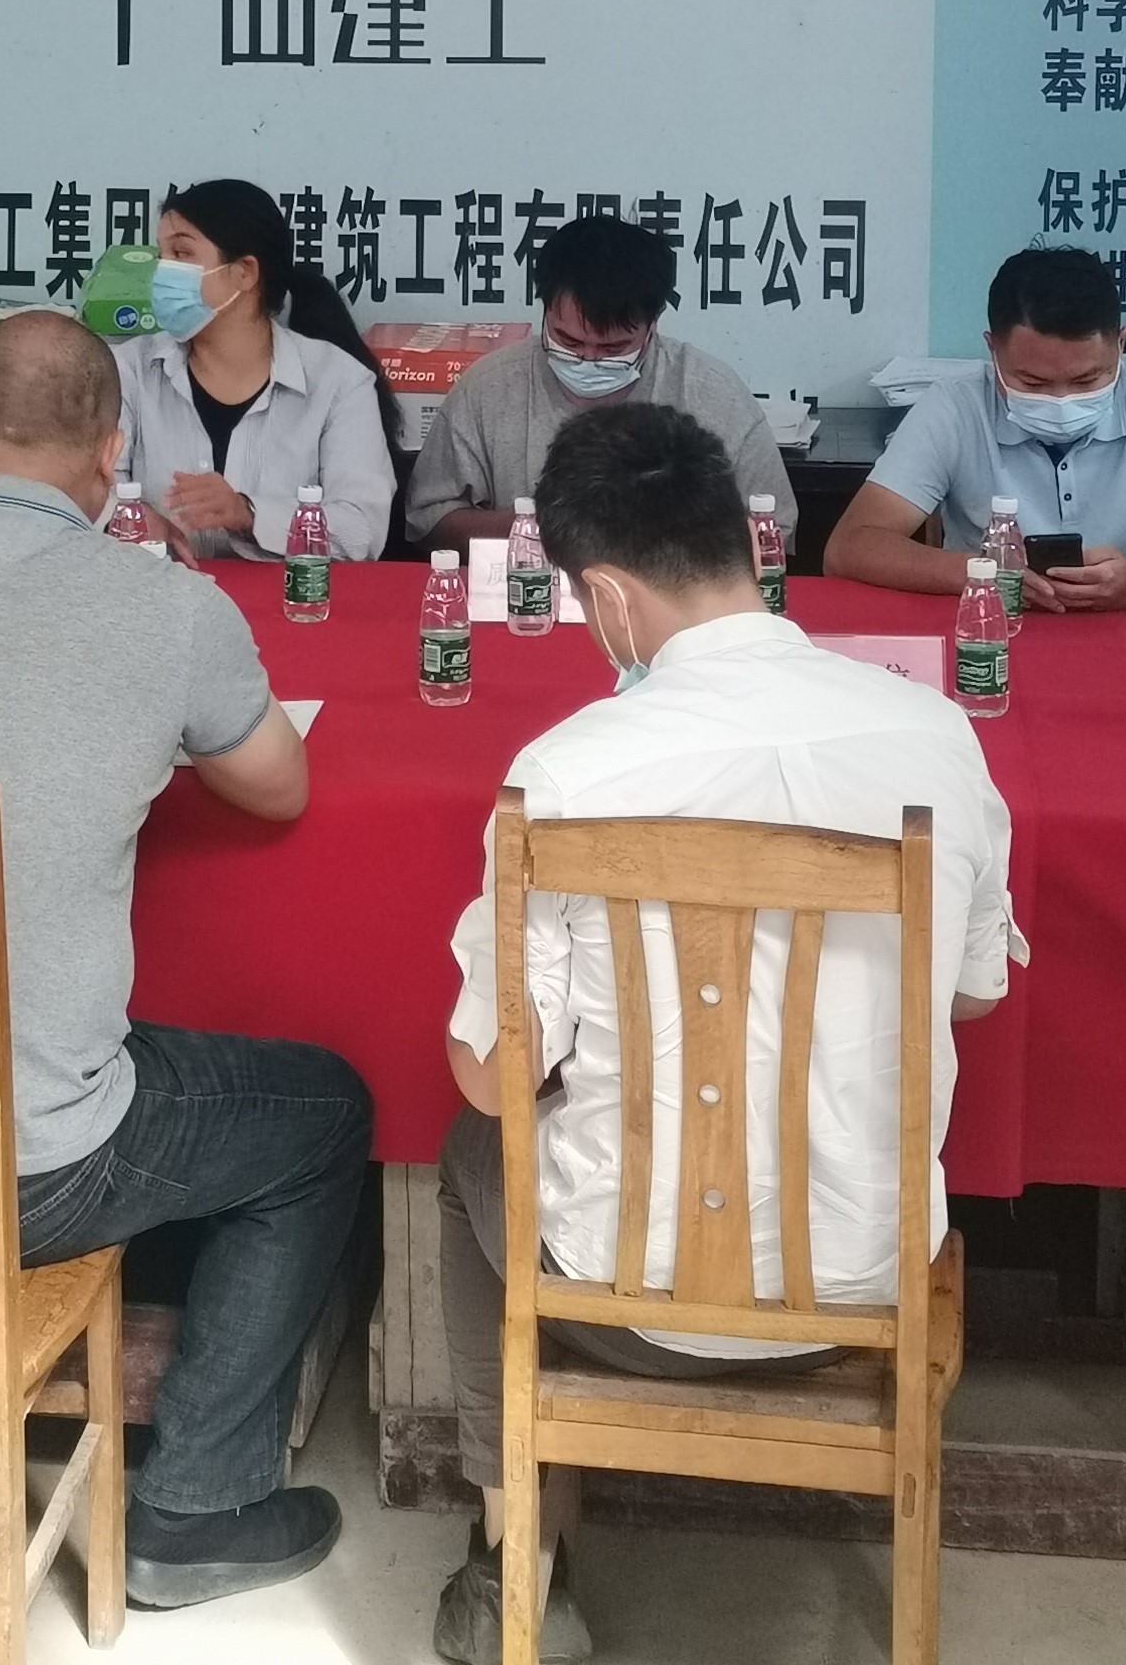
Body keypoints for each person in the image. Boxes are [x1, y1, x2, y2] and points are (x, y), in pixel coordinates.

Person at [0, 309, 369, 1610]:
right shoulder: (167, 608)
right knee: (324, 1116)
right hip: (26, 1174)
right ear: (111, 457)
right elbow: (278, 786)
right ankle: (195, 1505)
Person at [438, 401, 1024, 1662]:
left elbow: (495, 1077)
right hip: (864, 1276)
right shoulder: (934, 732)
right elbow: (976, 996)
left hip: (621, 1294)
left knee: (466, 1152)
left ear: (605, 595)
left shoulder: (566, 771)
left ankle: (512, 1560)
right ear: (744, 542)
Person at [826, 246, 1126, 610]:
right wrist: (979, 572)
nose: (1061, 400)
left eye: (1087, 380)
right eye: (1032, 383)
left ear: (1121, 343)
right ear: (992, 350)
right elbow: (849, 548)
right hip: (989, 629)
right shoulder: (954, 406)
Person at [406, 212, 795, 547]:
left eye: (613, 348)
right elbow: (429, 521)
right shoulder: (490, 387)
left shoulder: (713, 393)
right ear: (544, 308)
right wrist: (538, 528)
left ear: (654, 323)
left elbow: (774, 530)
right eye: (569, 341)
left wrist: (657, 541)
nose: (588, 360)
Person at [109, 179, 398, 563]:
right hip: (156, 594)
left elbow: (361, 531)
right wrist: (131, 520)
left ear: (245, 272)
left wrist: (251, 515)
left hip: (292, 598)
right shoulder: (127, 370)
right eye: (161, 255)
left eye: (182, 253)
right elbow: (86, 493)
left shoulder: (339, 381)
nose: (163, 272)